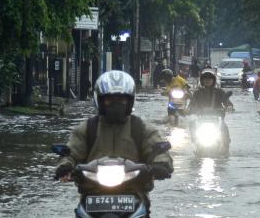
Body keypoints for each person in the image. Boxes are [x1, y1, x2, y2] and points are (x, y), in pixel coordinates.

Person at [55, 70, 173, 204]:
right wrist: (65, 167)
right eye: (109, 100)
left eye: (121, 100)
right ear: (100, 100)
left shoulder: (140, 128)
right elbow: (71, 152)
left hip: (134, 194)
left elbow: (157, 149)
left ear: (129, 101)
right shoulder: (88, 128)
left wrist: (161, 165)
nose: (115, 104)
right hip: (93, 196)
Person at [188, 68, 233, 151]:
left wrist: (229, 106)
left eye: (210, 79)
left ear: (214, 80)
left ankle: (226, 147)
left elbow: (226, 100)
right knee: (192, 124)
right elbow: (192, 104)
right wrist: (190, 109)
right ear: (202, 80)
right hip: (201, 120)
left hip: (217, 120)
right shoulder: (197, 93)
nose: (207, 80)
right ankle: (195, 143)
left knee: (224, 127)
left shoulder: (219, 92)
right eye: (205, 79)